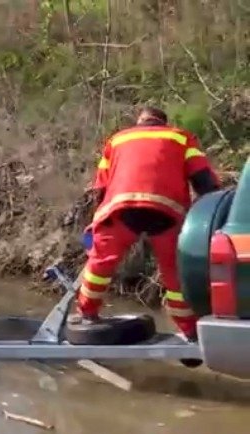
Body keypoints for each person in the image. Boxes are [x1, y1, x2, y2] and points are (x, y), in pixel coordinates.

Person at [75, 106, 221, 342]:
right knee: (176, 276)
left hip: (120, 209)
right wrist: (211, 216)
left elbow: (100, 188)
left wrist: (97, 220)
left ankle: (87, 313)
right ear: (163, 122)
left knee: (100, 263)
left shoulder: (117, 139)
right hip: (166, 211)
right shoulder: (181, 137)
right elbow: (204, 180)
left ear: (140, 121)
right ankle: (191, 331)